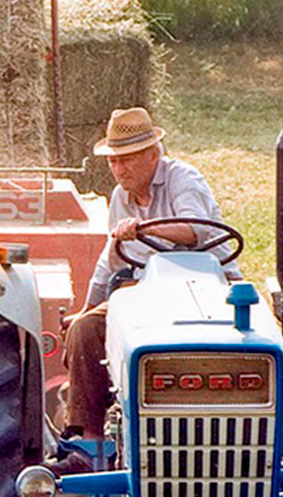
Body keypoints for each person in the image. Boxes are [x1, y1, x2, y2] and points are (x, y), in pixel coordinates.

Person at [60, 106, 240, 444]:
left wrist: (143, 228)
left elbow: (197, 231)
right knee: (85, 330)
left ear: (153, 154)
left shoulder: (183, 179)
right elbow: (109, 259)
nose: (118, 168)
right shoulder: (119, 197)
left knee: (262, 337)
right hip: (146, 293)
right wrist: (86, 308)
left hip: (207, 288)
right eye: (113, 161)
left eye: (127, 159)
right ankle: (89, 441)